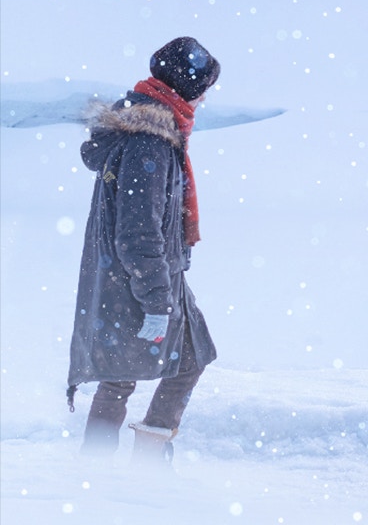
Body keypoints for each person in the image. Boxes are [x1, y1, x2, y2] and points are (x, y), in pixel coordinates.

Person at [67, 36, 221, 463]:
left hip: (148, 273)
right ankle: (102, 469)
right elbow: (137, 233)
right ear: (187, 87)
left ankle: (144, 455)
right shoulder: (150, 142)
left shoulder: (152, 129)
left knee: (190, 356)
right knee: (121, 375)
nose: (207, 95)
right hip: (136, 278)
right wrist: (155, 298)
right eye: (205, 85)